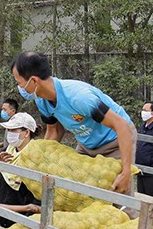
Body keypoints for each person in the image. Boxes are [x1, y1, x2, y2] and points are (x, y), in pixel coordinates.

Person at [11, 51, 136, 194]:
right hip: (86, 145)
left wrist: (126, 172)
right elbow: (54, 131)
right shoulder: (42, 101)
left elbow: (121, 126)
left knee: (117, 193)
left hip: (115, 141)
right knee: (77, 191)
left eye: (19, 83)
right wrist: (40, 161)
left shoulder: (79, 97)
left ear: (33, 81)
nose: (19, 88)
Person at [0, 112, 41, 227]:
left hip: (24, 220)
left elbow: (39, 193)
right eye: (8, 130)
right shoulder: (7, 151)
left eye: (13, 130)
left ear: (26, 133)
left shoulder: (37, 156)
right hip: (5, 214)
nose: (9, 133)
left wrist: (30, 218)